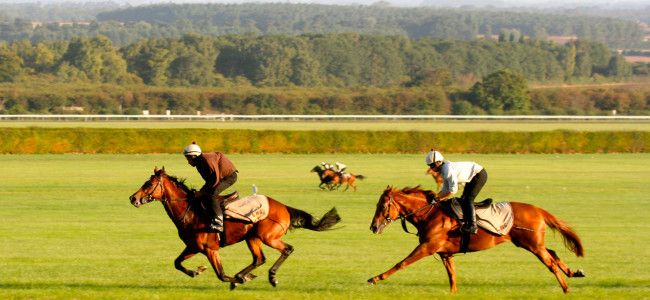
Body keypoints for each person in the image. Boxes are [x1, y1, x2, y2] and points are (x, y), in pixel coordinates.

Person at [425, 149, 487, 234]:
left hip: (479, 175)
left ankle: (473, 226)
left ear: (439, 163)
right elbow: (445, 189)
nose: (432, 168)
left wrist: (441, 198)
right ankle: (466, 222)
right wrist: (436, 197)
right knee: (463, 199)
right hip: (473, 176)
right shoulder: (443, 171)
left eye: (433, 165)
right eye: (430, 166)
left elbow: (453, 190)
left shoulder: (447, 170)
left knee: (468, 200)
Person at [184, 142, 238, 232]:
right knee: (203, 194)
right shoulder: (199, 163)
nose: (188, 162)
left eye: (188, 159)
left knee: (211, 195)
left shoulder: (206, 161)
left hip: (229, 177)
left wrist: (202, 192)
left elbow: (215, 181)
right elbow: (209, 181)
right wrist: (201, 192)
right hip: (219, 178)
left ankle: (219, 223)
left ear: (194, 156)